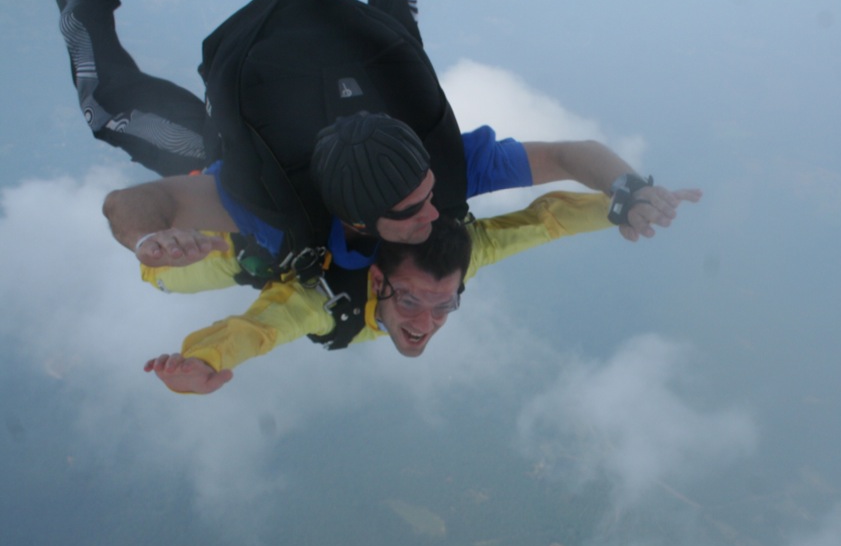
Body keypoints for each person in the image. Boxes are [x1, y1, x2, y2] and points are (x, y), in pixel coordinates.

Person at [51, 0, 693, 281]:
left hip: (275, 134)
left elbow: (573, 154)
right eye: (421, 206)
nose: (434, 214)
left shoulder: (282, 209)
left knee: (111, 106)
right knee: (397, 37)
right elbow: (132, 207)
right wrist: (627, 190)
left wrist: (146, 242)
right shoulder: (280, 202)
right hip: (268, 136)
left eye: (420, 200)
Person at [141, 188, 695, 394]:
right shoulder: (320, 305)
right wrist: (205, 358)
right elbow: (260, 330)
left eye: (441, 305)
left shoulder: (460, 260)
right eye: (411, 300)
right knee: (158, 269)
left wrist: (620, 205)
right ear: (378, 281)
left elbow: (545, 221)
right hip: (245, 240)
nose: (426, 322)